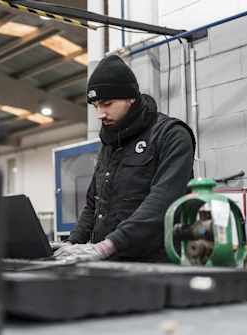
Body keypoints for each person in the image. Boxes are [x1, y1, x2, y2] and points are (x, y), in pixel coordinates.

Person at [53, 55, 195, 263]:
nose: (100, 114)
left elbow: (163, 200)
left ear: (131, 98)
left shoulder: (170, 135)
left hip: (154, 266)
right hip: (110, 264)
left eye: (107, 104)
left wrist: (107, 246)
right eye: (95, 106)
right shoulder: (110, 144)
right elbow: (93, 205)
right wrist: (71, 244)